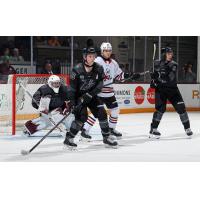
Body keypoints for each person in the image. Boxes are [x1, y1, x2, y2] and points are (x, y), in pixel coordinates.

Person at [81, 42, 140, 140]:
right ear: (102, 51)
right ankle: (84, 130)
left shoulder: (114, 63)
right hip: (99, 92)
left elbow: (119, 76)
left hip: (109, 93)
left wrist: (130, 75)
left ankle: (111, 129)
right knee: (97, 112)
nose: (107, 52)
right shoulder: (97, 61)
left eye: (109, 51)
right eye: (105, 51)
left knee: (115, 110)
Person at [63, 47, 118, 149]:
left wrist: (91, 94)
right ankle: (69, 139)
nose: (92, 58)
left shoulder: (98, 68)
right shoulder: (77, 70)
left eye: (94, 56)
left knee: (102, 113)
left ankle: (106, 138)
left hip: (91, 95)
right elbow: (71, 89)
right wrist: (72, 103)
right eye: (90, 56)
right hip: (78, 97)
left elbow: (100, 84)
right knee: (82, 117)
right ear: (85, 57)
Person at [149, 47, 193, 138]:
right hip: (161, 90)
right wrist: (153, 78)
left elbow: (170, 77)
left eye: (171, 54)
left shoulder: (174, 64)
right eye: (168, 54)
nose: (170, 55)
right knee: (160, 109)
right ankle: (153, 129)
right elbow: (152, 73)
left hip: (172, 90)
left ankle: (187, 128)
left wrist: (159, 76)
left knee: (181, 108)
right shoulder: (156, 63)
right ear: (164, 54)